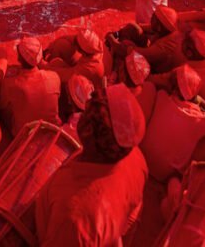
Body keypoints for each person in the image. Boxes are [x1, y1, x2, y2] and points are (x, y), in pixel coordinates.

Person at [36, 84, 147, 246]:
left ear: (89, 131)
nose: (86, 105)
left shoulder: (74, 217)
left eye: (90, 108)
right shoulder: (137, 158)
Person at [0, 37, 61, 136]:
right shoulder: (54, 77)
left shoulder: (12, 84)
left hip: (24, 135)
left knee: (0, 111)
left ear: (19, 58)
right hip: (52, 131)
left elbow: (1, 105)